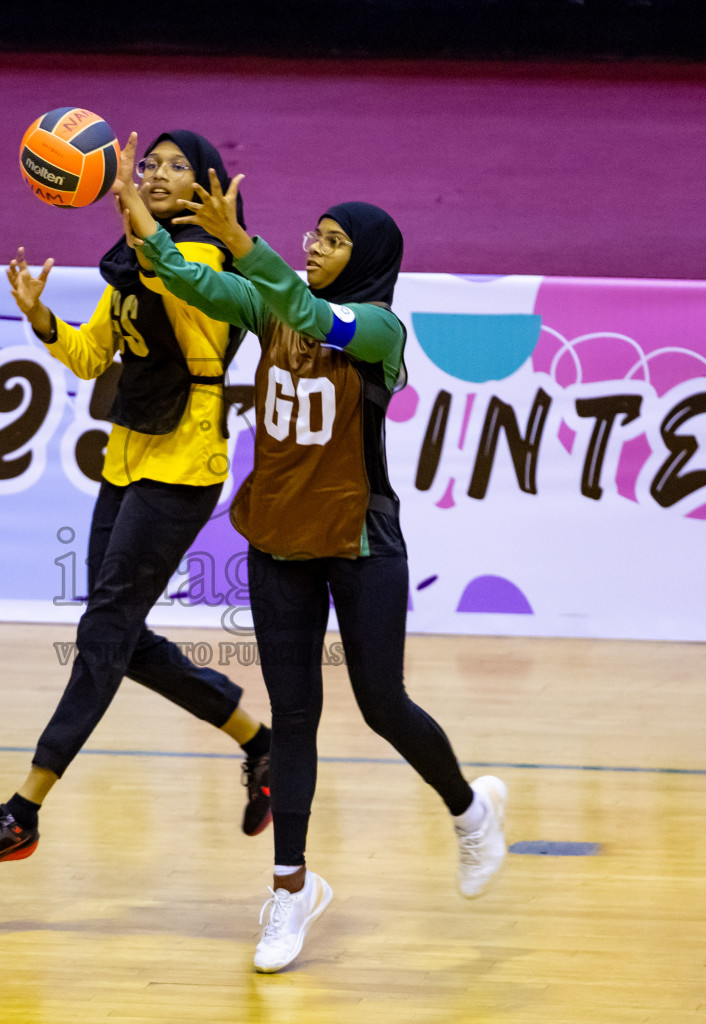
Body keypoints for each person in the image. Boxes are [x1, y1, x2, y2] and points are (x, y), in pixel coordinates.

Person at [112, 144, 508, 973]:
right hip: (277, 539)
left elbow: (316, 315)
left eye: (331, 239)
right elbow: (199, 284)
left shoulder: (381, 329)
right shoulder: (272, 309)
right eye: (311, 234)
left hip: (359, 538)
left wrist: (246, 247)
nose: (312, 245)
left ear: (364, 258)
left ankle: (470, 813)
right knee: (292, 720)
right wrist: (138, 215)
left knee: (382, 703)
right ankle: (290, 892)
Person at [0, 131, 273, 871]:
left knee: (105, 635)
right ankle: (256, 738)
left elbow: (173, 272)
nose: (152, 173)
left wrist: (127, 205)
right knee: (114, 633)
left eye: (171, 167)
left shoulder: (205, 259)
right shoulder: (130, 261)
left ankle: (22, 811)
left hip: (184, 463)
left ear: (208, 189)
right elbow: (92, 354)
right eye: (146, 163)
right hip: (127, 457)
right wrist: (41, 318)